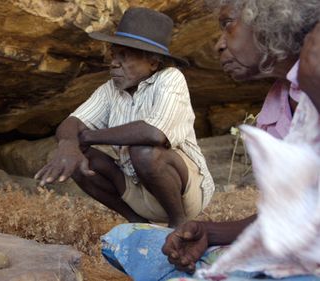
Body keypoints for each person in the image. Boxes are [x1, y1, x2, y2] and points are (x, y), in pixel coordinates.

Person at [96, 1, 320, 280]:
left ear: (273, 18)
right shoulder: (275, 111)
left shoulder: (311, 77)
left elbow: (154, 134)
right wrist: (212, 232)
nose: (218, 46)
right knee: (127, 238)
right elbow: (295, 215)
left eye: (228, 25)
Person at [35, 7, 214, 228]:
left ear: (153, 62)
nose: (114, 63)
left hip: (184, 194)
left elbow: (154, 133)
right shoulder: (110, 90)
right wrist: (69, 144)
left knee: (144, 150)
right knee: (77, 156)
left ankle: (178, 225)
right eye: (113, 55)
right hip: (136, 189)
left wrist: (86, 136)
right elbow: (70, 123)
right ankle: (136, 222)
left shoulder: (170, 78)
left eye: (124, 56)